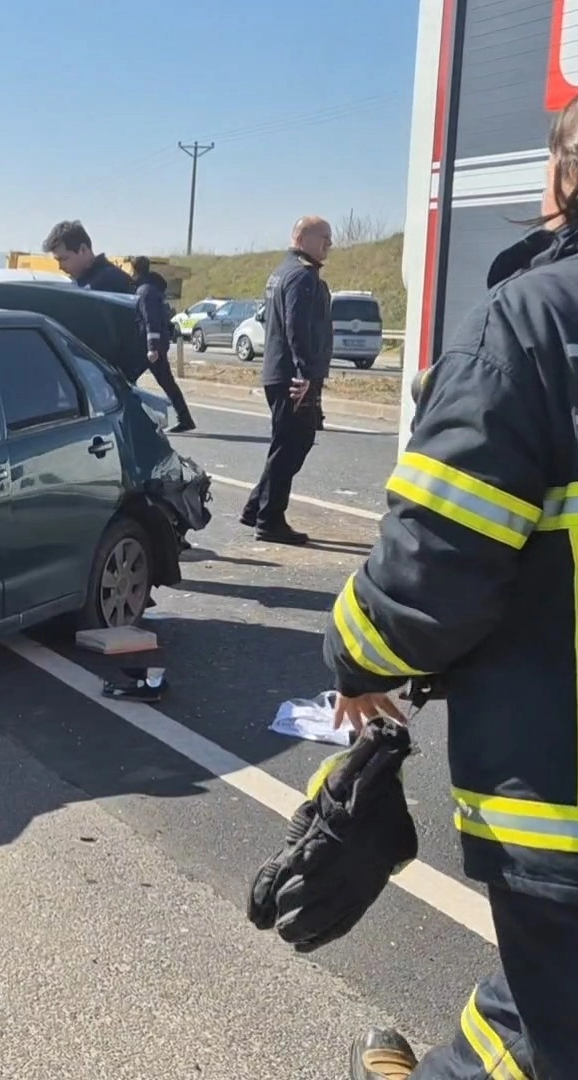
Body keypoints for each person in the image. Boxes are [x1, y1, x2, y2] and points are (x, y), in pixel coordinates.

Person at [334, 96, 578, 1080]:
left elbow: (432, 569)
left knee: (545, 1031)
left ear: (564, 176)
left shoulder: (534, 327)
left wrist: (353, 655)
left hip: (559, 802)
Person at [240, 215, 333, 545]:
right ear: (302, 238)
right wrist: (305, 372)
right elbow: (297, 326)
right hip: (293, 378)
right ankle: (269, 519)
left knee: (287, 443)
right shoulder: (301, 275)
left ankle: (257, 507)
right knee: (294, 444)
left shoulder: (283, 271)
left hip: (281, 372)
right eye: (324, 237)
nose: (329, 244)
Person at [130, 256, 195, 433]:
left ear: (135, 270)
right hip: (156, 344)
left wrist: (152, 348)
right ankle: (185, 419)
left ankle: (141, 421)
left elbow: (150, 321)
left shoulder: (144, 292)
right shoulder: (151, 289)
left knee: (127, 380)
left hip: (150, 347)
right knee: (167, 382)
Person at [42, 219, 135, 293]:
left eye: (64, 259)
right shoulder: (84, 282)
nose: (60, 267)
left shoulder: (110, 280)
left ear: (83, 250)